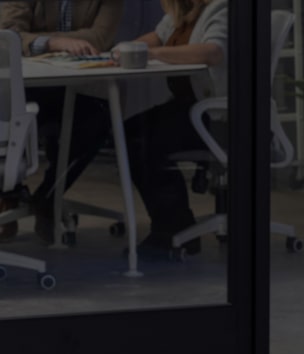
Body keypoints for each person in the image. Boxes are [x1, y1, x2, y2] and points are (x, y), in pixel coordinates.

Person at [0, 0, 123, 242]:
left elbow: (99, 38)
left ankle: (48, 197)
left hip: (84, 87)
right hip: (28, 86)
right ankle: (8, 196)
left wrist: (33, 40)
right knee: (11, 115)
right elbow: (8, 34)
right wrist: (55, 42)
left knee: (98, 118)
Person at [119, 0, 228, 258]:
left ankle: (172, 228)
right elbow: (157, 37)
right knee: (130, 132)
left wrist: (154, 54)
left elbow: (213, 52)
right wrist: (126, 49)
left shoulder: (221, 8)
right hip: (191, 110)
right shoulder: (182, 12)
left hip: (218, 117)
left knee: (142, 140)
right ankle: (175, 224)